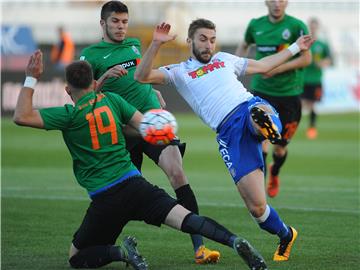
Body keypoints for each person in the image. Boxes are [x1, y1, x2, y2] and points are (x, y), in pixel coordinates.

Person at [13, 50, 268, 270]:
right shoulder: (113, 100)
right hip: (136, 186)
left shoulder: (67, 115)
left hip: (105, 199)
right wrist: (161, 121)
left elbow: (21, 116)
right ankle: (234, 240)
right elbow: (147, 127)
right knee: (187, 219)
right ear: (93, 83)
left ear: (68, 90)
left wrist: (32, 77)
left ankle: (122, 253)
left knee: (77, 257)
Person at [134, 20, 314, 261]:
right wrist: (156, 43)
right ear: (190, 41)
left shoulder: (225, 59)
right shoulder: (179, 71)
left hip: (247, 107)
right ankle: (286, 234)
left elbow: (262, 66)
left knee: (256, 112)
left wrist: (295, 47)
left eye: (212, 39)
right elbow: (141, 75)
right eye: (203, 39)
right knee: (258, 209)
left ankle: (268, 126)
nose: (209, 44)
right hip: (229, 134)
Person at [79, 1, 219, 263]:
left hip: (154, 122)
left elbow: (140, 75)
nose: (121, 27)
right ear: (103, 24)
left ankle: (200, 248)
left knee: (177, 173)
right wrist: (106, 77)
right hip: (124, 132)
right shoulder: (91, 55)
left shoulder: (133, 43)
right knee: (124, 197)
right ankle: (103, 248)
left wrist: (151, 90)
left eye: (124, 22)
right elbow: (83, 98)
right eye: (115, 22)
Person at [235, 0, 312, 198]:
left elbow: (306, 59)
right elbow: (244, 45)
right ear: (266, 2)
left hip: (289, 95)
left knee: (280, 148)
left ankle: (275, 172)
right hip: (262, 92)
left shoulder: (297, 26)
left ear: (287, 2)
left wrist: (276, 68)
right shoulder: (255, 25)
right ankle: (259, 194)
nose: (277, 4)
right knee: (261, 142)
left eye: (282, 0)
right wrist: (233, 69)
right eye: (273, 0)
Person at [302, 18, 332, 139]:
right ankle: (292, 126)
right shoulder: (303, 43)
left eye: (315, 26)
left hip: (315, 79)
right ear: (309, 28)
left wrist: (323, 63)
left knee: (313, 104)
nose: (313, 29)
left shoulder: (323, 44)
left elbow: (329, 59)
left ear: (317, 27)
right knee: (300, 104)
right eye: (311, 26)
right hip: (302, 79)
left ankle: (312, 128)